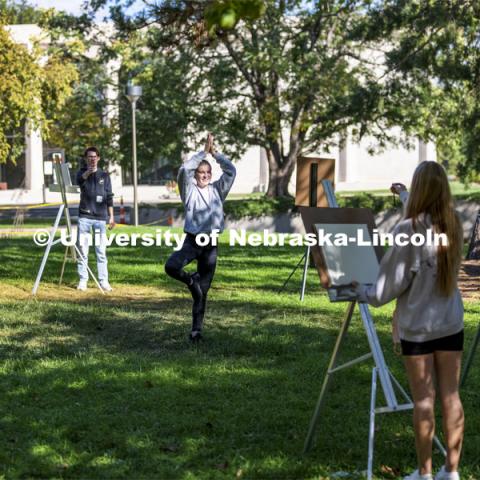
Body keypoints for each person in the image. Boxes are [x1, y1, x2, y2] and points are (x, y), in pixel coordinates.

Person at [354, 161, 464, 480]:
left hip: (418, 328)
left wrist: (358, 290)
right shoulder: (453, 224)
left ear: (420, 189)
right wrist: (403, 196)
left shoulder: (408, 230)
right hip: (451, 323)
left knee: (424, 401)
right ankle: (451, 471)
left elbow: (387, 287)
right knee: (451, 397)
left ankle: (426, 473)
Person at [165, 133, 236, 341]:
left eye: (207, 172)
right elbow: (183, 170)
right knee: (171, 266)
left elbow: (231, 170)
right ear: (196, 174)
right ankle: (190, 281)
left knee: (202, 292)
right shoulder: (188, 190)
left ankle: (196, 330)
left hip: (211, 244)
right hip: (193, 241)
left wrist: (216, 154)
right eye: (200, 172)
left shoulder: (218, 190)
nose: (203, 175)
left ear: (211, 174)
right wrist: (203, 152)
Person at [76, 147, 115, 291]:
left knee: (101, 251)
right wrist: (88, 172)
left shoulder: (105, 176)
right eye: (89, 157)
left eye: (94, 157)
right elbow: (79, 181)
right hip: (84, 218)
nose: (92, 159)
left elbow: (109, 197)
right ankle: (83, 280)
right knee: (83, 251)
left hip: (100, 219)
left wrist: (111, 217)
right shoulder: (81, 173)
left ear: (98, 158)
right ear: (86, 159)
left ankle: (103, 281)